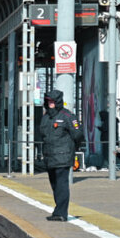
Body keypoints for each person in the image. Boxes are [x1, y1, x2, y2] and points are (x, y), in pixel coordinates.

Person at [39, 88, 84, 222]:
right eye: (48, 101)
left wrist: (71, 149)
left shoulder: (67, 116)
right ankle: (58, 210)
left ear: (58, 101)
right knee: (55, 185)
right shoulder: (46, 117)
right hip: (49, 156)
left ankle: (61, 213)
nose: (51, 103)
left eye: (53, 101)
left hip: (63, 156)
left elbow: (78, 134)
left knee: (61, 184)